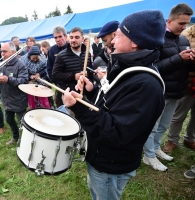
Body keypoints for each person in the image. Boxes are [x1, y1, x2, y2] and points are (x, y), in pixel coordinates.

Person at [63, 10, 166, 200]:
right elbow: (113, 103)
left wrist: (78, 106)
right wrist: (92, 90)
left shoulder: (146, 85)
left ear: (134, 42)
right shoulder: (127, 67)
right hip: (101, 155)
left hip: (111, 163)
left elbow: (117, 133)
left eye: (118, 35)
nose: (113, 41)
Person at [143, 3, 194, 171]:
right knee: (153, 125)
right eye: (181, 23)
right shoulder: (157, 40)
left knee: (164, 125)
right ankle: (148, 156)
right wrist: (179, 59)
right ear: (169, 20)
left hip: (177, 90)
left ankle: (156, 148)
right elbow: (152, 66)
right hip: (160, 90)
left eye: (187, 23)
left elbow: (184, 66)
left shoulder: (184, 39)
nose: (184, 27)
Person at [163, 24, 195, 153]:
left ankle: (189, 138)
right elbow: (177, 60)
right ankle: (172, 140)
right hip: (187, 83)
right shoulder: (185, 35)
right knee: (179, 115)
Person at [0, 42, 28, 145]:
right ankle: (15, 136)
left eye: (5, 51)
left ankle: (25, 140)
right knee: (8, 119)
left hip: (18, 99)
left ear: (13, 52)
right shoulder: (2, 64)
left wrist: (8, 79)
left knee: (22, 122)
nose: (2, 54)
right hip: (7, 98)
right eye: (1, 51)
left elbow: (23, 81)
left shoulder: (20, 65)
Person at [52, 27, 93, 92]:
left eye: (77, 37)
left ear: (82, 39)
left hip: (86, 94)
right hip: (70, 94)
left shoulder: (87, 54)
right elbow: (55, 74)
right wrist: (73, 76)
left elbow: (90, 73)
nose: (73, 40)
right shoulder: (61, 55)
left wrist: (91, 83)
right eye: (71, 37)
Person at [46, 26, 68, 107]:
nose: (58, 39)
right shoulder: (52, 50)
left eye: (60, 36)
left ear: (65, 36)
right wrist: (55, 81)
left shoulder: (71, 47)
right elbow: (49, 68)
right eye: (56, 37)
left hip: (72, 83)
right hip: (59, 85)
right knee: (60, 105)